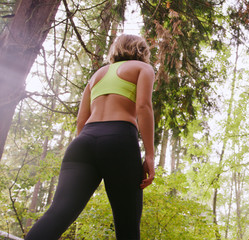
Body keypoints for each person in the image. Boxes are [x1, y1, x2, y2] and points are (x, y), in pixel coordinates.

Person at [25, 34, 156, 240]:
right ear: (142, 51)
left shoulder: (96, 76)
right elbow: (143, 107)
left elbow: (81, 120)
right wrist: (149, 153)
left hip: (84, 142)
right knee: (127, 225)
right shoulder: (143, 69)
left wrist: (92, 150)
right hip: (119, 139)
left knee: (57, 214)